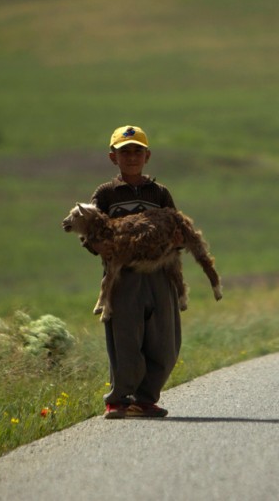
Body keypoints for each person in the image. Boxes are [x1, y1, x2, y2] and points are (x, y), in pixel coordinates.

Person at [85, 125, 181, 419]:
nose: (131, 157)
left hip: (159, 275)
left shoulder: (160, 193)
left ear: (147, 156)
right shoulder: (106, 194)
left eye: (137, 151)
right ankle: (119, 399)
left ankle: (146, 399)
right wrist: (98, 246)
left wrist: (175, 242)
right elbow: (88, 229)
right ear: (113, 157)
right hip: (123, 277)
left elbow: (177, 226)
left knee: (165, 341)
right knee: (125, 339)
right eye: (124, 151)